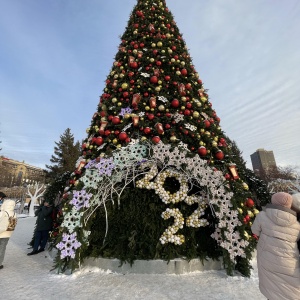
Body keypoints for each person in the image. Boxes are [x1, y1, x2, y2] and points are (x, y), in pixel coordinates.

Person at [251, 192, 300, 300]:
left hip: (267, 258)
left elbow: (255, 230)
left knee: (272, 287)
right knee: (288, 290)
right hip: (289, 263)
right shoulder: (297, 225)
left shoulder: (262, 216)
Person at [0, 199, 17, 269]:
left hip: (1, 232)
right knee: (2, 249)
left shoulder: (3, 212)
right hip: (7, 233)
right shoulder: (14, 213)